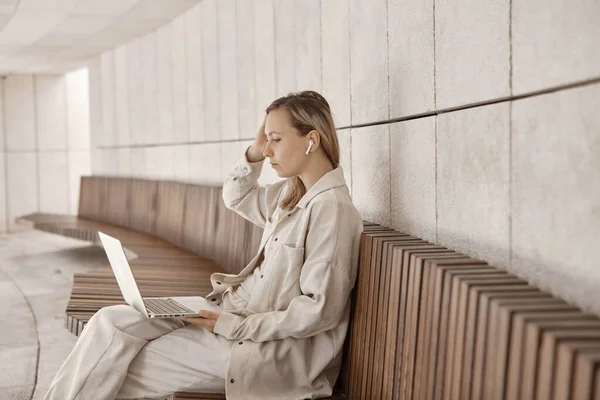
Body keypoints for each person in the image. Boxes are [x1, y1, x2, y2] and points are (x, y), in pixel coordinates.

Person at [45, 90, 363, 400]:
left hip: (264, 348)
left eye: (276, 140)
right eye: (266, 140)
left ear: (312, 140)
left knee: (119, 366)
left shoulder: (331, 209)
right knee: (109, 323)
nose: (268, 151)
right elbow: (235, 196)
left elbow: (319, 311)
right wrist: (254, 150)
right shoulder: (289, 195)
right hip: (227, 312)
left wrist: (232, 326)